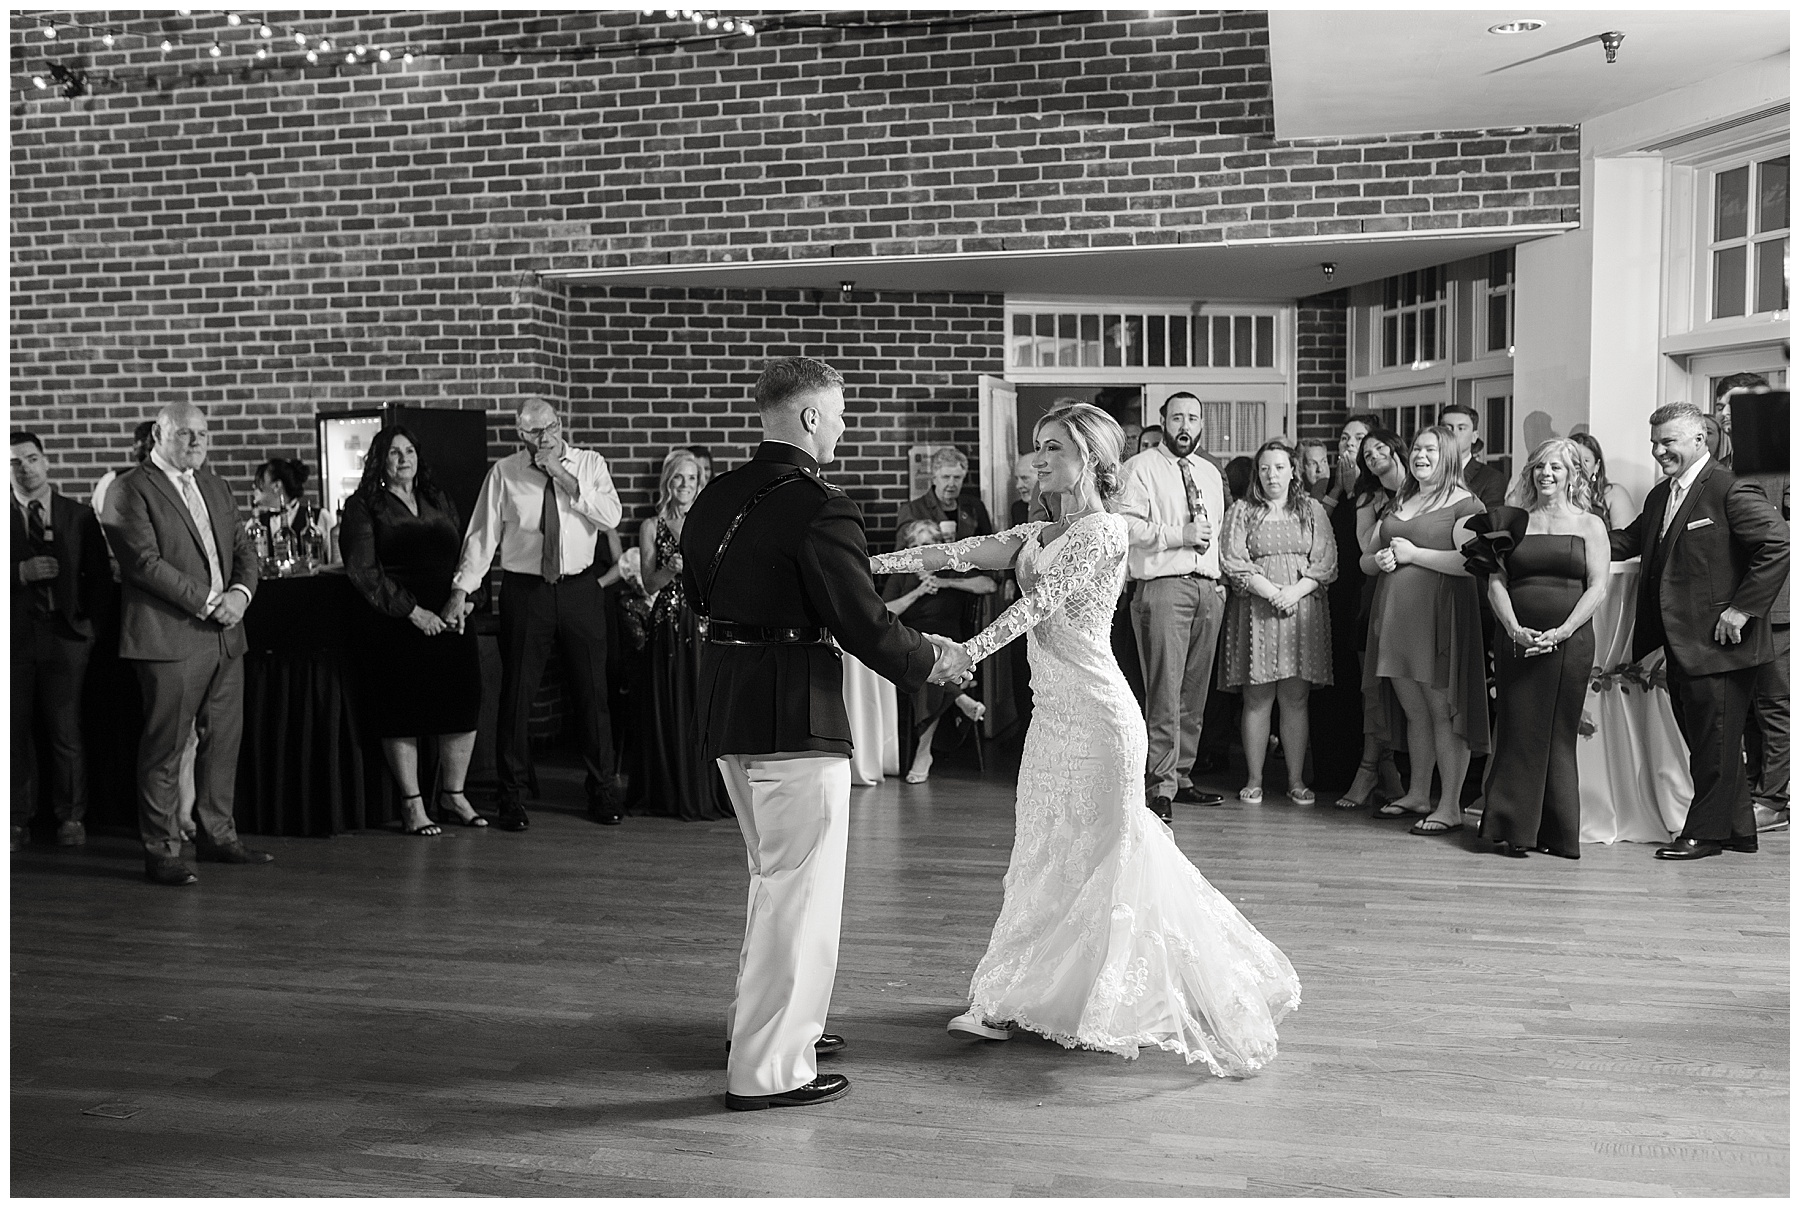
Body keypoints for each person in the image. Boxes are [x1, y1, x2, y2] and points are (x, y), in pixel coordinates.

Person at [872, 402, 1299, 1075]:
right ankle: (1008, 997)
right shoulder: (1041, 529)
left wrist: (966, 652)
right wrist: (865, 562)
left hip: (1102, 722)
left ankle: (1127, 997)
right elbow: (951, 552)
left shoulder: (1103, 532)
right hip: (1052, 720)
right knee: (1044, 854)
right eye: (1037, 447)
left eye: (1054, 449)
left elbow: (1040, 605)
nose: (1039, 460)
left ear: (1093, 460)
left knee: (1111, 859)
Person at [679, 356, 963, 1113]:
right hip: (794, 715)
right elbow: (862, 620)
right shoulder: (819, 506)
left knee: (773, 880)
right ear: (808, 418)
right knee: (798, 892)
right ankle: (769, 1067)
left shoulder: (714, 494)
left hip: (729, 706)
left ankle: (762, 1027)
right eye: (837, 414)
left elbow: (695, 596)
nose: (842, 426)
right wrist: (931, 661)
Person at [100, 402, 272, 886]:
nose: (196, 443)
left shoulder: (215, 486)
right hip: (169, 639)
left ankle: (217, 835)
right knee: (166, 749)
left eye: (202, 434)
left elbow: (243, 550)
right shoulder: (129, 489)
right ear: (159, 433)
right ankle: (162, 850)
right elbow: (144, 563)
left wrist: (240, 595)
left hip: (226, 636)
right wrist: (211, 601)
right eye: (184, 434)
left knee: (223, 745)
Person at [1609, 403, 1788, 860]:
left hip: (1722, 644)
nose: (1658, 450)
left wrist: (1742, 610)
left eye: (1667, 441)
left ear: (1698, 440)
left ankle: (1704, 835)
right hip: (1682, 644)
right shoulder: (1658, 496)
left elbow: (1777, 544)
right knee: (1713, 742)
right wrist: (1563, 534)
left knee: (1714, 744)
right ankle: (1738, 830)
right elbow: (1624, 542)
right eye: (1654, 442)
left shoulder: (1730, 488)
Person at [445, 397, 625, 831]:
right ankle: (511, 797)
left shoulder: (590, 464)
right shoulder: (504, 474)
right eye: (532, 432)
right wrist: (460, 590)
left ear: (559, 424)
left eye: (549, 428)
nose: (543, 438)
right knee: (517, 697)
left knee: (592, 694)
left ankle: (601, 792)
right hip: (526, 593)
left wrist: (562, 476)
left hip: (580, 589)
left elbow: (610, 514)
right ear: (519, 435)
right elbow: (481, 538)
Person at [1463, 440, 1611, 859]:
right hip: (1515, 640)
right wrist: (1512, 628)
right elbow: (1495, 582)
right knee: (1516, 729)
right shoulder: (1512, 521)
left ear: (1573, 477)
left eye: (1557, 468)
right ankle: (1511, 829)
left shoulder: (1590, 525)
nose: (1546, 474)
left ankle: (1557, 832)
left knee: (1558, 734)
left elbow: (1598, 587)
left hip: (1570, 641)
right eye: (1540, 467)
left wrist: (1563, 631)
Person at [338, 426, 486, 837]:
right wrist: (412, 611)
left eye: (409, 451)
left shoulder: (438, 498)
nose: (403, 459)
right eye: (393, 453)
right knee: (403, 712)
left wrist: (469, 599)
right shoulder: (363, 505)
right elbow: (363, 571)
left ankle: (453, 795)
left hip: (452, 616)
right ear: (379, 461)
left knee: (463, 704)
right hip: (397, 621)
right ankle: (412, 805)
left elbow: (467, 554)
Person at [1362, 425, 1490, 836]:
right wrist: (1379, 560)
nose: (1420, 455)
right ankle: (1418, 793)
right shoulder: (1403, 498)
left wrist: (1415, 553)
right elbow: (1365, 559)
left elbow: (1471, 563)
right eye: (1416, 447)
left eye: (1430, 449)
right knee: (1414, 711)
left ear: (1448, 455)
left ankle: (1450, 805)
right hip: (1396, 619)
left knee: (1442, 711)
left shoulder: (1465, 503)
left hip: (1440, 617)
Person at [1116, 391, 1229, 819]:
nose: (1185, 426)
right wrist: (1177, 535)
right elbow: (1124, 525)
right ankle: (1158, 785)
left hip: (1207, 589)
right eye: (1177, 417)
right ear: (1162, 420)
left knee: (1194, 693)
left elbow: (1215, 532)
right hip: (1162, 587)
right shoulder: (1139, 468)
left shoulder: (1210, 473)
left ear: (1202, 424)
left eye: (1193, 418)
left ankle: (1182, 777)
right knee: (1163, 691)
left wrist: (1218, 582)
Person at [1218, 441, 1337, 803]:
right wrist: (1272, 592)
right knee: (1257, 697)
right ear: (1258, 473)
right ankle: (1254, 779)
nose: (1272, 475)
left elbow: (1327, 561)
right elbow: (1232, 560)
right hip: (1257, 607)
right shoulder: (1242, 510)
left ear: (1292, 471)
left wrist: (1294, 592)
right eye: (1266, 468)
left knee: (1295, 698)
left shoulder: (1312, 509)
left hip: (1302, 609)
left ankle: (1296, 780)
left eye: (1280, 467)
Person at [12, 432, 110, 850]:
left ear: (47, 461)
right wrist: (18, 574)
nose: (25, 468)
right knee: (13, 733)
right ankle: (16, 819)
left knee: (65, 730)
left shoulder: (78, 515)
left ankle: (71, 816)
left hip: (65, 635)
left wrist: (89, 631)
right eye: (14, 462)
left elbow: (100, 578)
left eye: (32, 459)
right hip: (13, 638)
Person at [633, 448, 730, 819]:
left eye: (693, 478)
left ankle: (708, 791)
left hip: (704, 622)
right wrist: (672, 569)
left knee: (703, 703)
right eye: (679, 477)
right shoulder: (651, 526)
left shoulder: (711, 522)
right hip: (668, 624)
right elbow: (648, 582)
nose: (686, 485)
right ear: (667, 482)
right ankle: (670, 791)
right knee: (671, 701)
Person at [881, 519, 991, 782]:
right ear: (908, 548)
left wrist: (945, 584)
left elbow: (988, 584)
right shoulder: (902, 574)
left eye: (927, 545)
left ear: (938, 546)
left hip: (949, 644)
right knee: (922, 659)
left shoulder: (951, 567)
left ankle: (924, 752)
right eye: (916, 545)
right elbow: (884, 612)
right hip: (911, 640)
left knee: (926, 664)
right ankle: (960, 700)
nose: (921, 550)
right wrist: (918, 592)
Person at [1334, 427, 1409, 809]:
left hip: (1419, 594)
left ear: (1398, 449)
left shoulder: (1427, 488)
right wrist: (1391, 510)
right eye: (1367, 454)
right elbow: (1367, 546)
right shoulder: (1370, 496)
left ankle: (1393, 774)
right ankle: (1372, 768)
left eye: (1380, 447)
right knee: (1375, 691)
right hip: (1374, 594)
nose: (1373, 455)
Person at [252, 457, 336, 565]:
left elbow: (334, 564)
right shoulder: (255, 525)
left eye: (260, 481)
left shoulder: (320, 517)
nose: (254, 487)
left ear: (277, 486)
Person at [1439, 404, 1508, 509]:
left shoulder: (1491, 478)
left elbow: (1490, 521)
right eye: (1447, 428)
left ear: (1474, 436)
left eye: (1461, 428)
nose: (1453, 434)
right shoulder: (1423, 473)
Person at [1568, 432, 1635, 528]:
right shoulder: (1555, 497)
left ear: (1597, 466)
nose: (1579, 465)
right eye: (1573, 460)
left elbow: (1625, 538)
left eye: (1586, 461)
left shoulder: (1613, 494)